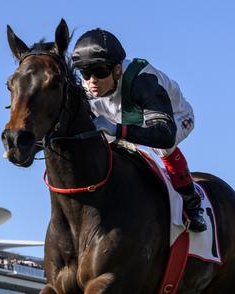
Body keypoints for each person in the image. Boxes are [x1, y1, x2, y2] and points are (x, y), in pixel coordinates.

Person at [71, 28, 207, 232]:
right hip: (124, 116)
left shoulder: (144, 79)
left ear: (117, 69)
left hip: (173, 118)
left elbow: (164, 135)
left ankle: (191, 203)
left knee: (162, 148)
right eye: (85, 72)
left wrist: (116, 130)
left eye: (100, 71)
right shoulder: (86, 86)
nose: (92, 81)